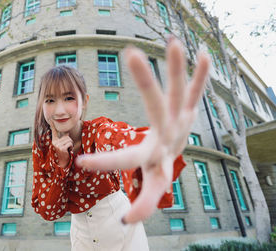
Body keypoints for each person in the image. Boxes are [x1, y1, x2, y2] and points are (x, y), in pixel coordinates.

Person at [31, 38, 210, 250]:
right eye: (50, 100)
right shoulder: (42, 148)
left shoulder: (98, 131)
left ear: (84, 101)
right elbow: (49, 211)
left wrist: (154, 143)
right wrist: (61, 167)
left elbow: (120, 138)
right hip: (81, 236)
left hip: (121, 227)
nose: (59, 110)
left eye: (69, 98)